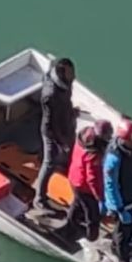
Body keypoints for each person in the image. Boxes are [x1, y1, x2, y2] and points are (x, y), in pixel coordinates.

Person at [32, 57, 77, 211]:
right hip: (52, 129)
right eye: (70, 73)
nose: (73, 76)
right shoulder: (49, 95)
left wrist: (71, 112)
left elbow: (67, 101)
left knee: (71, 148)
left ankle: (66, 169)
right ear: (61, 73)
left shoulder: (66, 82)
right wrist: (60, 140)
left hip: (67, 120)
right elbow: (51, 122)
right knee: (49, 162)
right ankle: (39, 198)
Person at [103, 119, 132, 262]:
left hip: (131, 193)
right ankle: (123, 260)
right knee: (123, 232)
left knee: (127, 228)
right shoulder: (114, 158)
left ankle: (117, 247)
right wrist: (118, 208)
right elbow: (110, 185)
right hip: (122, 200)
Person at [65, 121, 111, 244]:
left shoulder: (82, 136)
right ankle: (92, 238)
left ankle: (70, 224)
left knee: (77, 203)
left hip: (73, 177)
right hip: (84, 186)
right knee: (92, 214)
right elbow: (92, 178)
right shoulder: (94, 154)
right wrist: (99, 196)